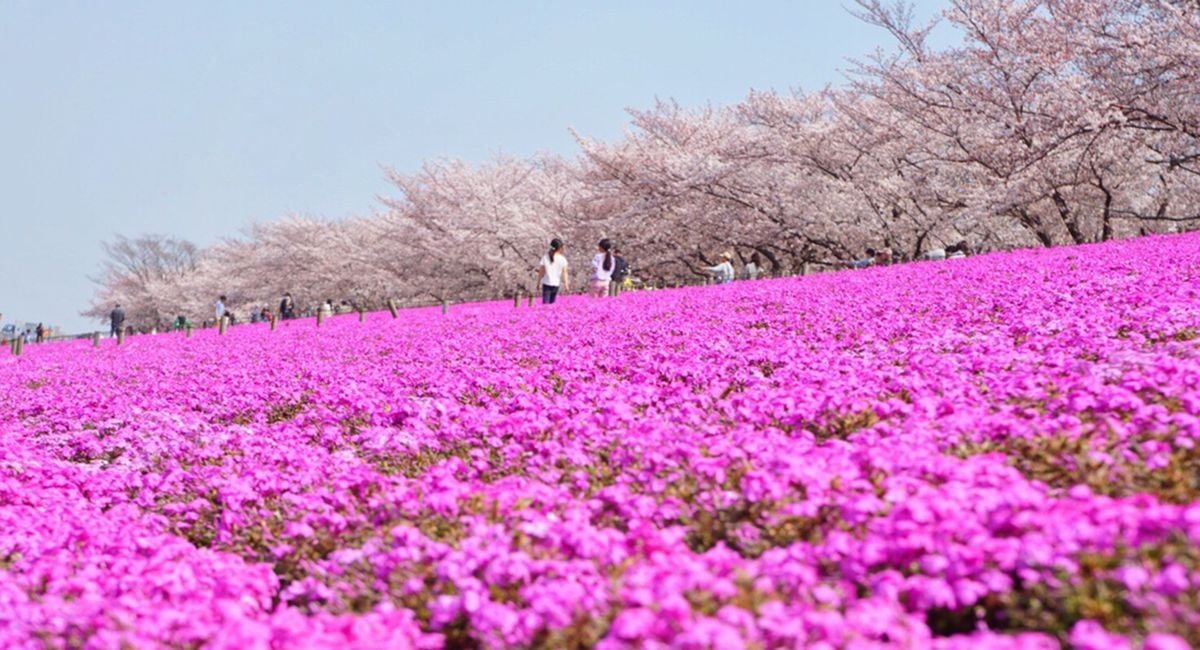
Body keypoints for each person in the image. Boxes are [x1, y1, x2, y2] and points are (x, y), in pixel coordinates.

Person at [537, 238, 570, 305]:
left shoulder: (545, 257)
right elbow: (565, 273)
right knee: (552, 304)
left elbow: (541, 272)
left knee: (545, 304)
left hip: (546, 283)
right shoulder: (562, 259)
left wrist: (538, 283)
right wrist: (566, 284)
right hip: (556, 284)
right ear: (560, 248)